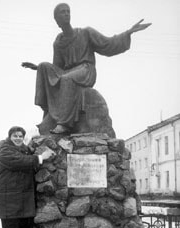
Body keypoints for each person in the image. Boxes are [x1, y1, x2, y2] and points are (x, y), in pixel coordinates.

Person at [22, 3, 151, 134]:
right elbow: (57, 68)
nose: (66, 14)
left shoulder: (85, 33)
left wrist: (128, 32)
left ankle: (64, 124)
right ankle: (48, 111)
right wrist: (38, 68)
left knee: (66, 79)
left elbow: (108, 44)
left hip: (86, 69)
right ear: (57, 20)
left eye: (68, 11)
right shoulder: (58, 42)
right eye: (62, 12)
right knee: (44, 66)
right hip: (68, 71)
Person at [0, 126, 52, 228]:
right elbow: (19, 162)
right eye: (15, 136)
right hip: (10, 201)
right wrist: (40, 158)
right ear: (9, 137)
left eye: (21, 136)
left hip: (23, 200)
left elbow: (26, 159)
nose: (18, 138)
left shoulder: (25, 150)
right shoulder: (5, 151)